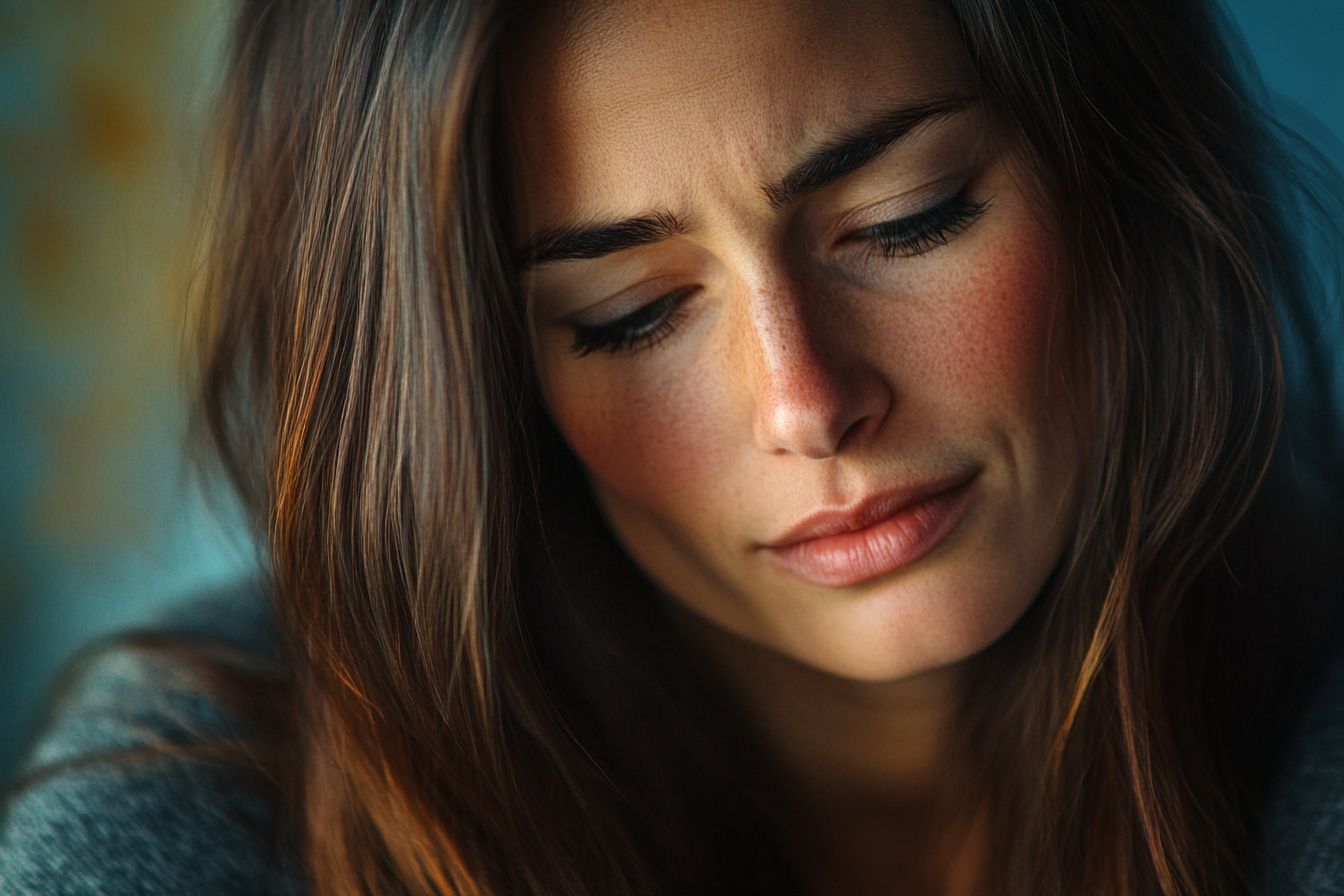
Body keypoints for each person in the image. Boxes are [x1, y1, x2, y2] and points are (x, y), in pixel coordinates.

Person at [2, 0, 1342, 894]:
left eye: (906, 217)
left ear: (1118, 178)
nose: (807, 404)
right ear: (479, 396)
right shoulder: (184, 833)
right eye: (630, 316)